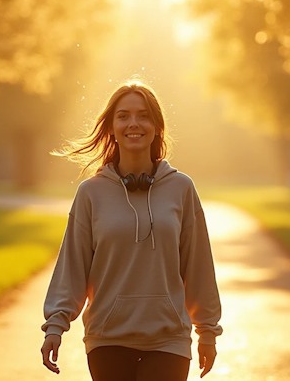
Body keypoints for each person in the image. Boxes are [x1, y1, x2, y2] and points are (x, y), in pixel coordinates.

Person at [39, 79, 223, 381]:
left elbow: (198, 265)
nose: (133, 123)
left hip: (169, 340)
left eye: (143, 116)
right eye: (123, 116)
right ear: (112, 127)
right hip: (107, 339)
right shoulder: (91, 193)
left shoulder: (181, 188)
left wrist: (207, 331)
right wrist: (55, 326)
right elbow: (72, 266)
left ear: (157, 127)